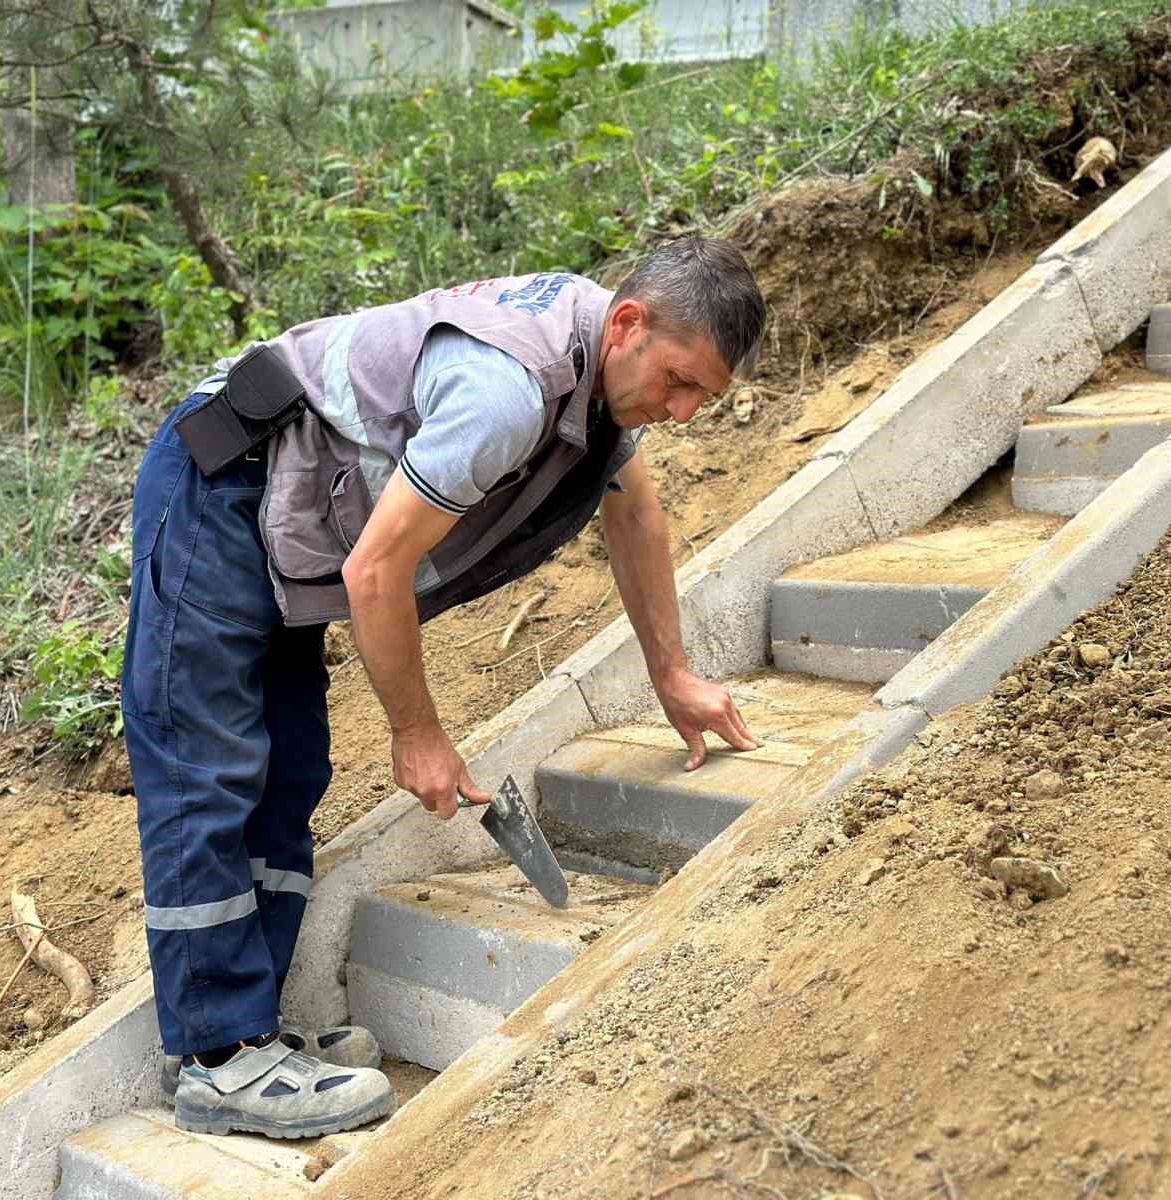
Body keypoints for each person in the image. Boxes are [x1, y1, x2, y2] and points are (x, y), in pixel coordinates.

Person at [121, 235, 769, 1140]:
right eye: (681, 382)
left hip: (287, 505)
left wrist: (673, 675)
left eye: (705, 394)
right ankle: (219, 1059)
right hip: (224, 480)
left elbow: (637, 509)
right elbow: (377, 572)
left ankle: (248, 1030)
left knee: (290, 767)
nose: (688, 411)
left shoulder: (599, 367)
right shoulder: (509, 390)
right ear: (629, 324)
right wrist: (416, 732)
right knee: (211, 764)